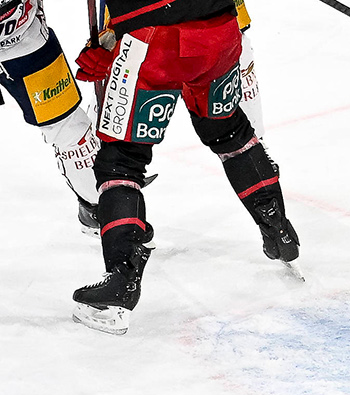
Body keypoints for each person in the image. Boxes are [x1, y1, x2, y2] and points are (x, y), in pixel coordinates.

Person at [68, 0, 297, 335]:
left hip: (154, 43)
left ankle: (121, 280)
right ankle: (278, 228)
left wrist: (109, 42)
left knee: (121, 160)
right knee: (230, 133)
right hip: (220, 32)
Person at [1, 0, 100, 228]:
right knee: (70, 131)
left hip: (25, 44)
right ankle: (101, 204)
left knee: (71, 131)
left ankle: (98, 206)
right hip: (23, 43)